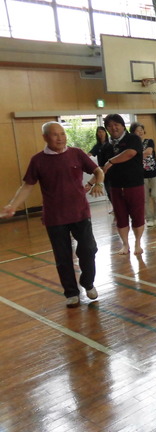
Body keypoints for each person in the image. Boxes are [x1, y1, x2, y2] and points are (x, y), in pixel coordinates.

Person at [1, 122, 105, 307]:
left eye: (62, 133)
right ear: (45, 138)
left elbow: (98, 170)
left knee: (88, 250)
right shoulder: (38, 160)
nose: (60, 138)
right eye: (55, 135)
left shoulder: (77, 153)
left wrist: (98, 183)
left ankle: (88, 283)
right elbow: (27, 186)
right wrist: (12, 205)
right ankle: (71, 293)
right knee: (62, 256)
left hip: (80, 212)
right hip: (55, 217)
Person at [100, 114, 145, 255]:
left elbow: (130, 153)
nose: (113, 128)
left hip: (134, 184)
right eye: (109, 126)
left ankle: (138, 243)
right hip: (115, 186)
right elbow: (102, 168)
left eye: (116, 124)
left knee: (137, 215)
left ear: (122, 125)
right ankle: (125, 245)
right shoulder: (107, 146)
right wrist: (93, 183)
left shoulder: (133, 139)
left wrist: (111, 161)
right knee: (120, 217)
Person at [131, 122, 156, 227]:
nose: (140, 132)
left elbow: (148, 152)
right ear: (133, 132)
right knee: (145, 198)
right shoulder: (132, 145)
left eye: (141, 129)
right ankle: (149, 218)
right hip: (141, 175)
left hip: (155, 172)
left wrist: (135, 157)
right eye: (137, 130)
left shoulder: (149, 141)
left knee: (155, 195)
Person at [88, 126, 112, 201]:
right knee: (109, 191)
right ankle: (114, 208)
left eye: (102, 131)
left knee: (114, 190)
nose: (100, 133)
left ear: (105, 133)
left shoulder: (110, 144)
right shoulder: (97, 146)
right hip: (102, 171)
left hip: (111, 169)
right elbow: (89, 154)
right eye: (99, 132)